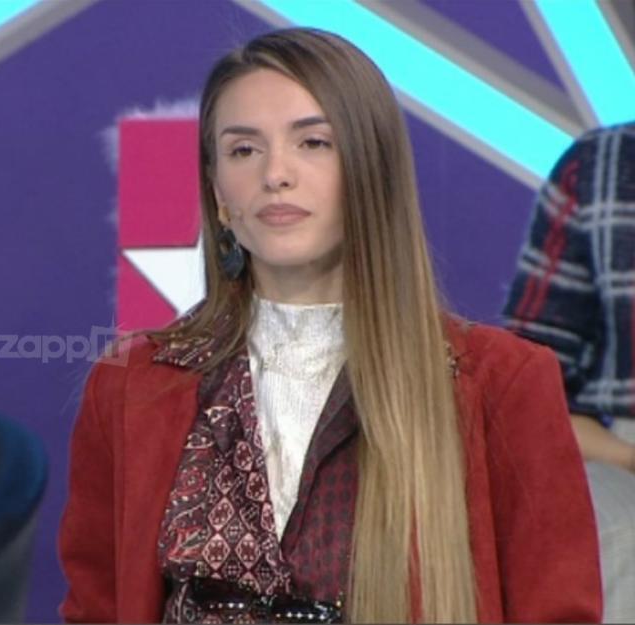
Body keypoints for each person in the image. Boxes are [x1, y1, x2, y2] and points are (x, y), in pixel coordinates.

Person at [58, 28, 601, 623]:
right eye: (244, 150)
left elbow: (556, 609)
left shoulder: (503, 382)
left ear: (371, 170)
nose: (275, 174)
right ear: (217, 194)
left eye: (313, 142)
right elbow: (95, 610)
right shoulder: (131, 383)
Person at [503, 121, 635, 622]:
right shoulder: (602, 164)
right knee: (612, 531)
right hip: (618, 450)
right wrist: (626, 456)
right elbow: (527, 391)